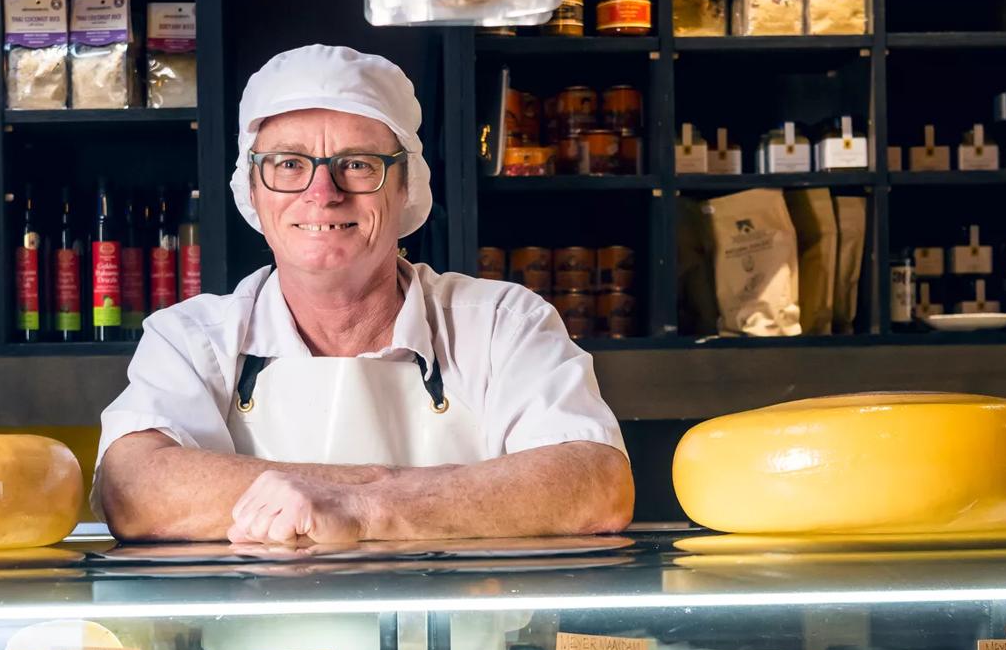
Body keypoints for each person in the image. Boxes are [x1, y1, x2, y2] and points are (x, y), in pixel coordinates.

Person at [95, 44, 633, 546]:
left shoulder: (501, 323)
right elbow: (134, 489)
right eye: (288, 164)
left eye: (357, 164)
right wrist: (386, 490)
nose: (322, 195)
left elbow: (596, 483)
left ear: (406, 189)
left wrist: (365, 506)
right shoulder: (191, 338)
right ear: (253, 192)